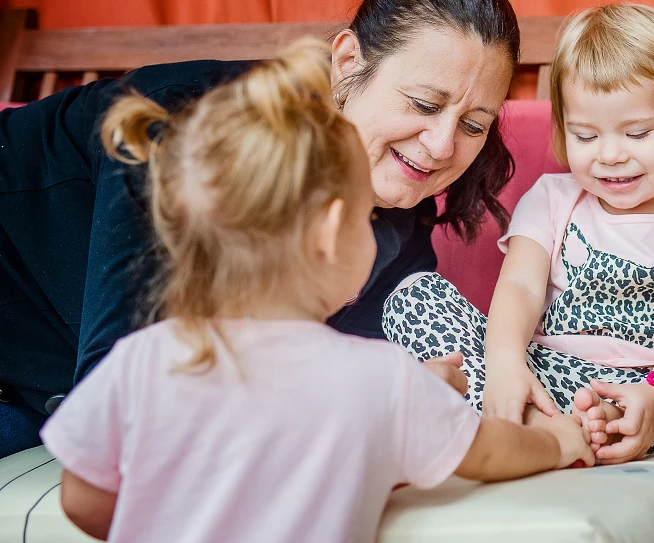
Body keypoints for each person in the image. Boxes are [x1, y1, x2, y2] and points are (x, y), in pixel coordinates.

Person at [40, 39, 594, 543]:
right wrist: (561, 442)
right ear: (331, 233)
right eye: (364, 217)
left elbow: (82, 499)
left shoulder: (140, 360)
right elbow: (490, 450)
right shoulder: (384, 382)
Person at [0, 0, 519, 458]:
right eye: (424, 104)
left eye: (474, 124)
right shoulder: (188, 130)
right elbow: (119, 408)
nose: (443, 146)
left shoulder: (400, 213)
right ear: (347, 63)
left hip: (39, 393)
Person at [383, 3, 654, 463]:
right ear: (565, 135)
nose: (610, 155)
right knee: (413, 296)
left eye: (637, 133)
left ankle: (614, 430)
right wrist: (507, 363)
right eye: (586, 137)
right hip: (548, 374)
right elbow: (521, 287)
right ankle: (535, 417)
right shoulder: (551, 198)